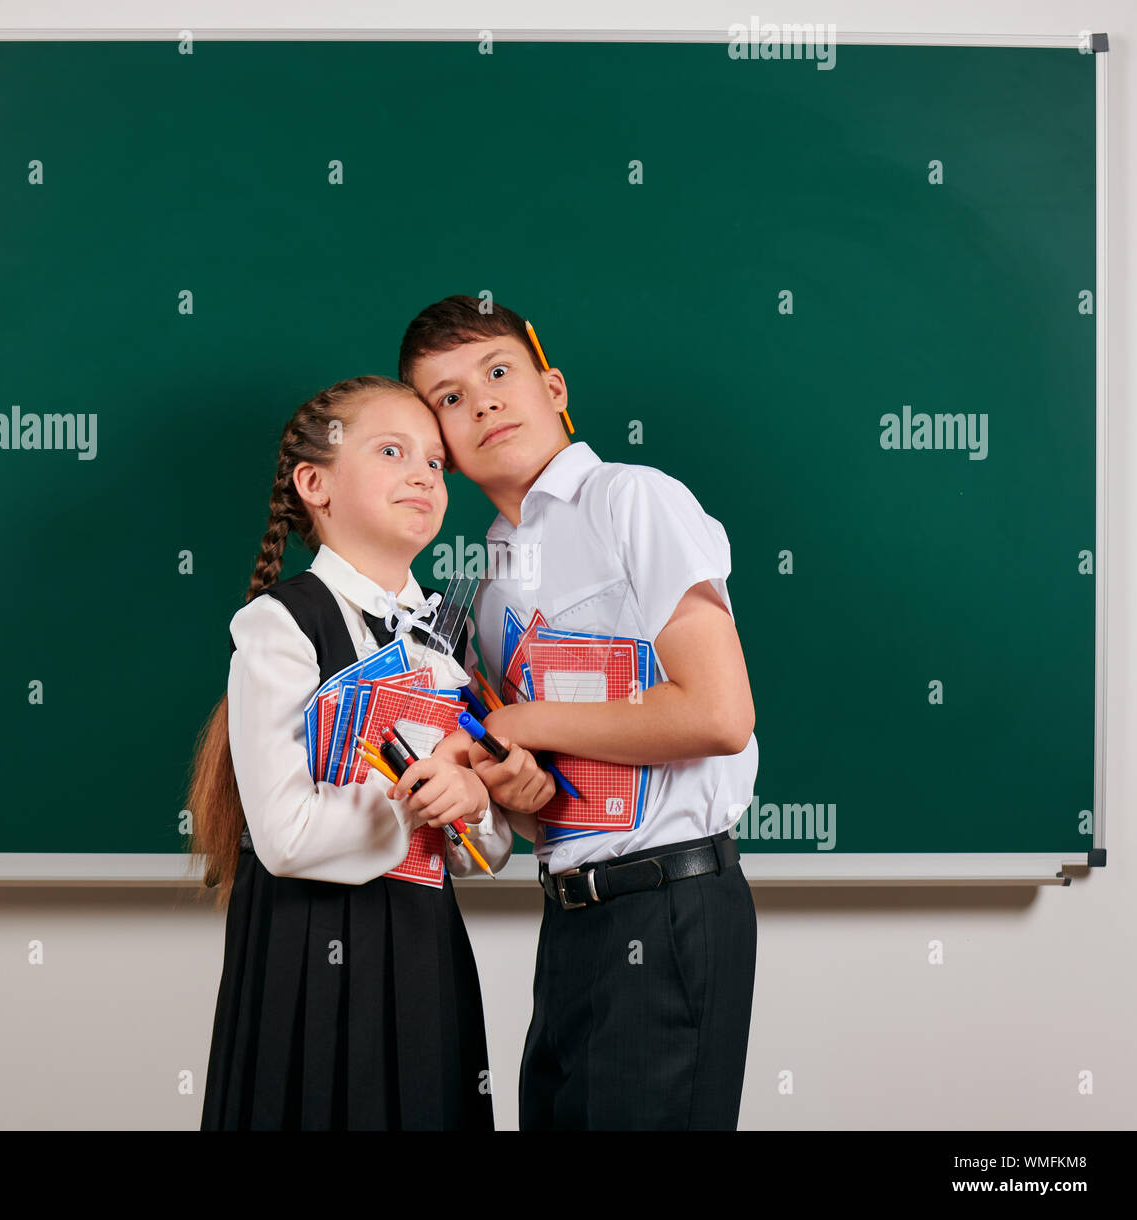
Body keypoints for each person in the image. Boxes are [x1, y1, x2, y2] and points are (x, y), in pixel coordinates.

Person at [398, 297, 760, 1130]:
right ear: (441, 453)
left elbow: (717, 714)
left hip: (669, 901)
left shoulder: (632, 498)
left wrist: (517, 726)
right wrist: (518, 787)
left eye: (498, 372)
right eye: (448, 398)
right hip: (569, 917)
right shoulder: (485, 587)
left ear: (552, 387)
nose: (482, 400)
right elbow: (550, 803)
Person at [187, 374, 514, 1130]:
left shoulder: (444, 643)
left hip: (427, 952)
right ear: (315, 483)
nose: (422, 475)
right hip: (310, 960)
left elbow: (483, 851)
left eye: (435, 462)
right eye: (392, 451)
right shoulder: (281, 625)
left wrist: (473, 805)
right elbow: (285, 836)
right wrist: (412, 802)